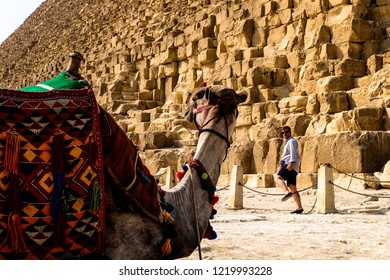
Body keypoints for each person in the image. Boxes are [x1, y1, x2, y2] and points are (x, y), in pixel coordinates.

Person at [274, 126, 303, 214]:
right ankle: (299, 208)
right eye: (282, 133)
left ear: (290, 132)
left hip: (289, 164)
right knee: (293, 188)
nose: (284, 134)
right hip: (293, 166)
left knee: (277, 178)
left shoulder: (291, 141)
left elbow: (293, 153)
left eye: (286, 132)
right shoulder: (288, 141)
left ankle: (286, 192)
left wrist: (291, 163)